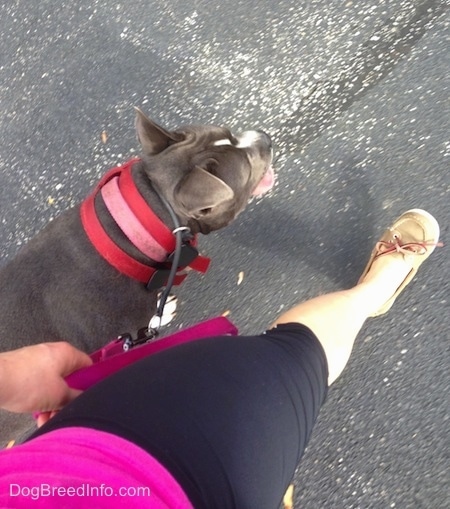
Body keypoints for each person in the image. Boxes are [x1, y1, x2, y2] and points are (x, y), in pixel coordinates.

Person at [0, 209, 442, 508]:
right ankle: (373, 293)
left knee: (284, 361)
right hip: (168, 483)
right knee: (296, 359)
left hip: (61, 462)